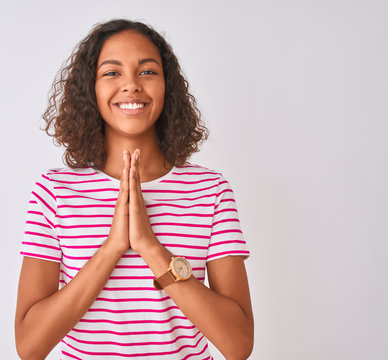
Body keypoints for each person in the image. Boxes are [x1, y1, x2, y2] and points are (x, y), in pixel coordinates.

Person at [15, 19, 254, 360]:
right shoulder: (54, 191)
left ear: (167, 86)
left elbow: (239, 344)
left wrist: (151, 248)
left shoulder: (210, 191)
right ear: (91, 89)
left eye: (147, 72)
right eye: (112, 73)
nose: (131, 85)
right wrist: (112, 248)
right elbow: (29, 345)